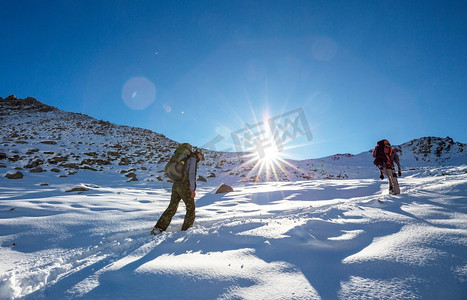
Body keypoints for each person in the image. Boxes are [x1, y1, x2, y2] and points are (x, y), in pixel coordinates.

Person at [151, 150, 205, 235]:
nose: (202, 159)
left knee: (172, 207)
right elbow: (191, 174)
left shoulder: (184, 158)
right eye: (202, 156)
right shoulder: (193, 159)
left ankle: (158, 228)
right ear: (198, 154)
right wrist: (192, 189)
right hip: (185, 186)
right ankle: (186, 230)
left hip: (176, 185)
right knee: (191, 208)